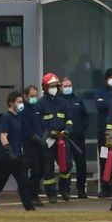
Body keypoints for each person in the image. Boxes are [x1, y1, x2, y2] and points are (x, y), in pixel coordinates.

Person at [0, 91, 35, 211]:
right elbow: (3, 136)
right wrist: (9, 151)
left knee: (24, 182)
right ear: (11, 103)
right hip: (7, 157)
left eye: (21, 102)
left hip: (18, 156)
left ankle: (29, 206)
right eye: (18, 102)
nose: (21, 104)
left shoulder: (18, 117)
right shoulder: (6, 118)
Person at [38, 72, 74, 203]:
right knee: (48, 168)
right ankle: (51, 194)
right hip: (48, 141)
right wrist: (48, 133)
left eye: (55, 86)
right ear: (45, 88)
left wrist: (67, 130)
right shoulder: (40, 104)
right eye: (51, 86)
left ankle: (64, 190)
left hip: (63, 139)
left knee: (67, 165)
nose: (54, 88)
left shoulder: (63, 103)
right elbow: (39, 123)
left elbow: (69, 119)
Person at [60, 76, 89, 199]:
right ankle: (64, 188)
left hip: (78, 137)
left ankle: (81, 189)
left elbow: (86, 116)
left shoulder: (77, 100)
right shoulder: (59, 101)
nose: (68, 88)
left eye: (69, 86)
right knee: (65, 163)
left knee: (81, 163)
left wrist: (81, 129)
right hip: (65, 137)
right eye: (65, 86)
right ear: (61, 88)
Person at [94, 68, 112, 198]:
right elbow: (100, 106)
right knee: (104, 158)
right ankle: (105, 186)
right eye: (111, 77)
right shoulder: (100, 92)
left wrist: (110, 102)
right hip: (104, 132)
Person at [21, 85, 45, 206]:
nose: (34, 98)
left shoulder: (37, 108)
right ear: (25, 96)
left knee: (41, 169)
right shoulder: (23, 110)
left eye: (35, 95)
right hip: (29, 144)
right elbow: (26, 128)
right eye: (32, 96)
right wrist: (35, 137)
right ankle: (32, 196)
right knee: (35, 169)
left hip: (40, 143)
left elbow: (41, 123)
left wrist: (43, 136)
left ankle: (33, 193)